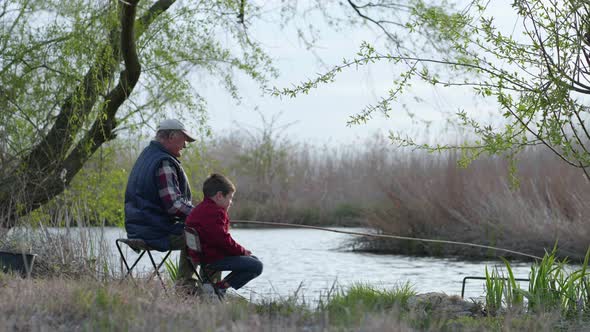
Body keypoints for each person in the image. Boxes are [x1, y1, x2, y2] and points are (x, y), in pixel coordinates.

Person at [124, 119, 196, 289]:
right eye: (183, 139)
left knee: (197, 231)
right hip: (155, 231)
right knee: (205, 235)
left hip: (138, 228)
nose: (185, 146)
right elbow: (174, 205)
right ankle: (190, 289)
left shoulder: (147, 156)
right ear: (171, 136)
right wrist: (202, 215)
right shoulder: (164, 162)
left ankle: (189, 287)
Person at [186, 173, 263, 295]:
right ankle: (219, 288)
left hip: (202, 255)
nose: (231, 202)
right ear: (219, 196)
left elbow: (218, 238)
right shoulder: (216, 212)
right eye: (230, 198)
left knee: (253, 259)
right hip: (212, 258)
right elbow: (223, 240)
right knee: (257, 266)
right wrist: (242, 251)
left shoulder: (199, 209)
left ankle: (215, 288)